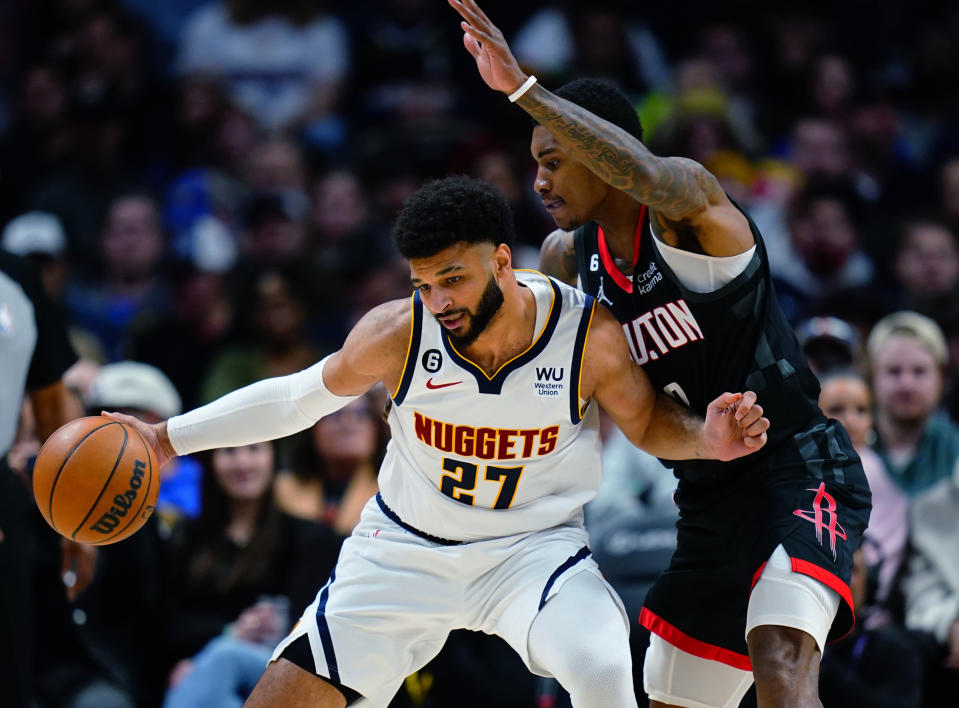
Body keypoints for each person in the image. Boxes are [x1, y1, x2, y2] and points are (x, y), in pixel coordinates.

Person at [107, 175, 769, 707]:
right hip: (401, 553)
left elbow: (648, 422)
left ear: (502, 261)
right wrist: (167, 438)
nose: (438, 300)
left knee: (600, 667)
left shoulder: (584, 334)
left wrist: (707, 440)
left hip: (531, 554)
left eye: (452, 278)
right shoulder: (399, 331)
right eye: (423, 282)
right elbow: (297, 397)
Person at [447, 2, 872, 706]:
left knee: (780, 656)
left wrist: (524, 89)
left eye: (553, 160)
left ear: (599, 153)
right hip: (703, 494)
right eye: (534, 165)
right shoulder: (563, 259)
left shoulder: (689, 208)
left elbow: (644, 171)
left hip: (795, 467)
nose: (539, 182)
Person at [0, 250, 85, 707]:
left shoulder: (15, 277)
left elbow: (50, 396)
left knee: (11, 677)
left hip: (3, 493)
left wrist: (70, 514)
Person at [868, 311, 959, 498]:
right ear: (872, 378)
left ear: (941, 378)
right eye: (893, 371)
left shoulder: (955, 451)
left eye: (919, 371)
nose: (906, 384)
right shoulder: (846, 451)